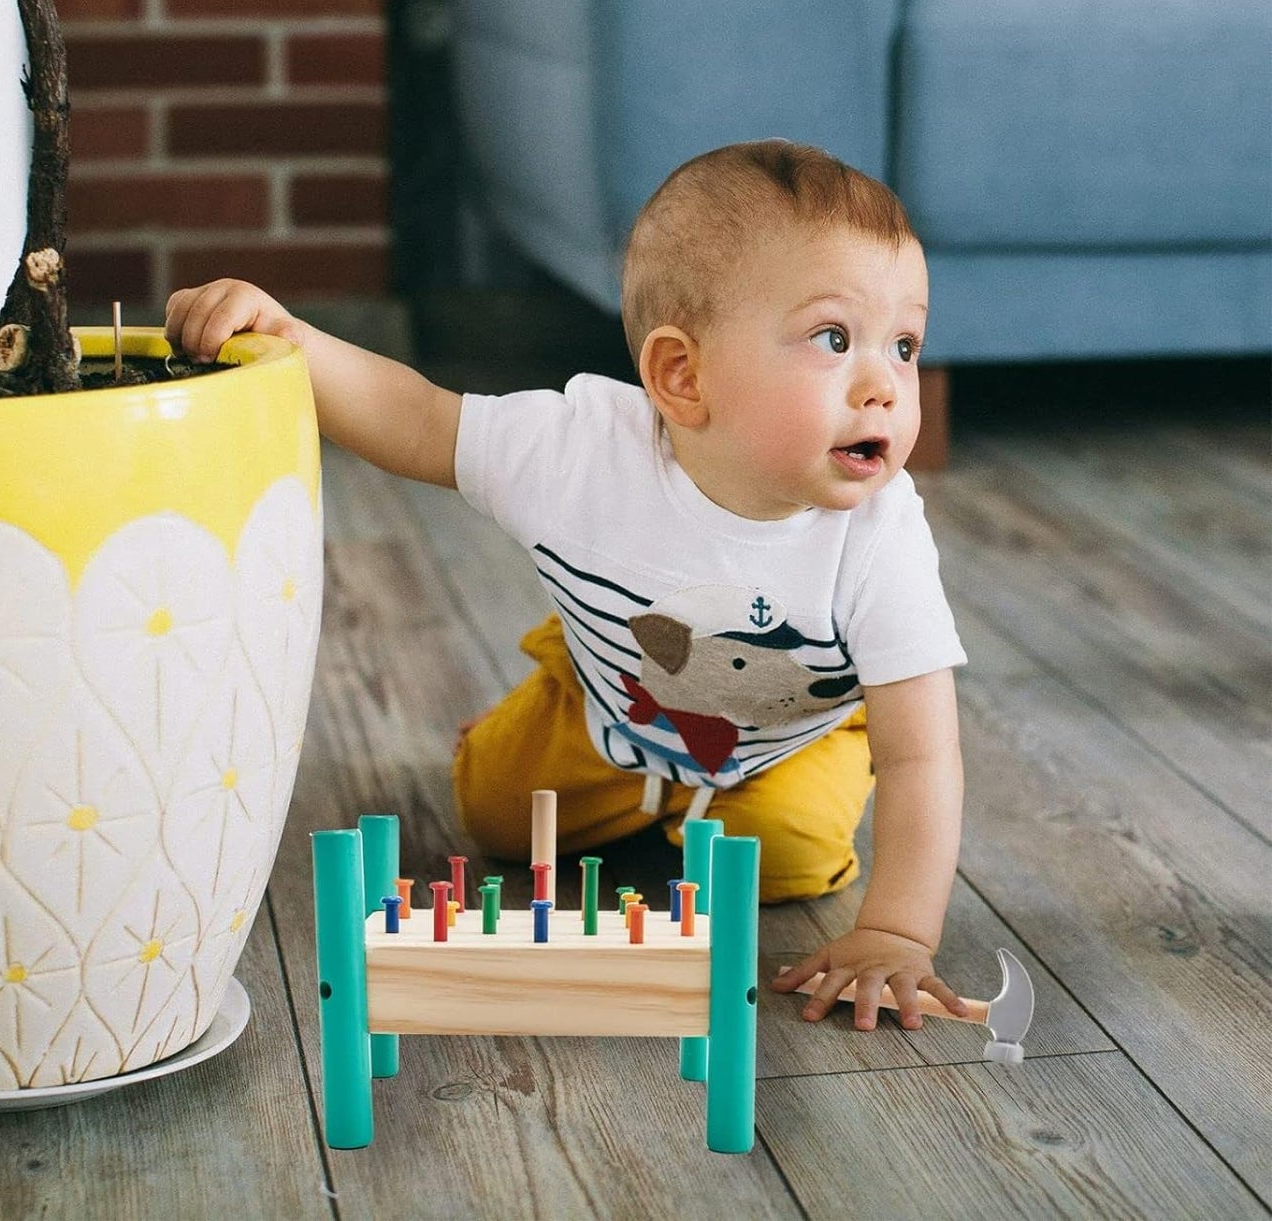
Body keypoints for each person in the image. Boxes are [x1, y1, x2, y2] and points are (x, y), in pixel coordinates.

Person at [166, 139, 971, 1030]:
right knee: (493, 815)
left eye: (904, 344)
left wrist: (897, 931)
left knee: (779, 859)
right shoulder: (577, 452)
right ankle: (562, 672)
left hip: (785, 732)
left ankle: (735, 781)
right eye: (834, 338)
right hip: (613, 701)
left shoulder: (878, 536)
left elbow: (920, 753)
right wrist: (292, 341)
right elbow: (421, 420)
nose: (886, 387)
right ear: (681, 375)